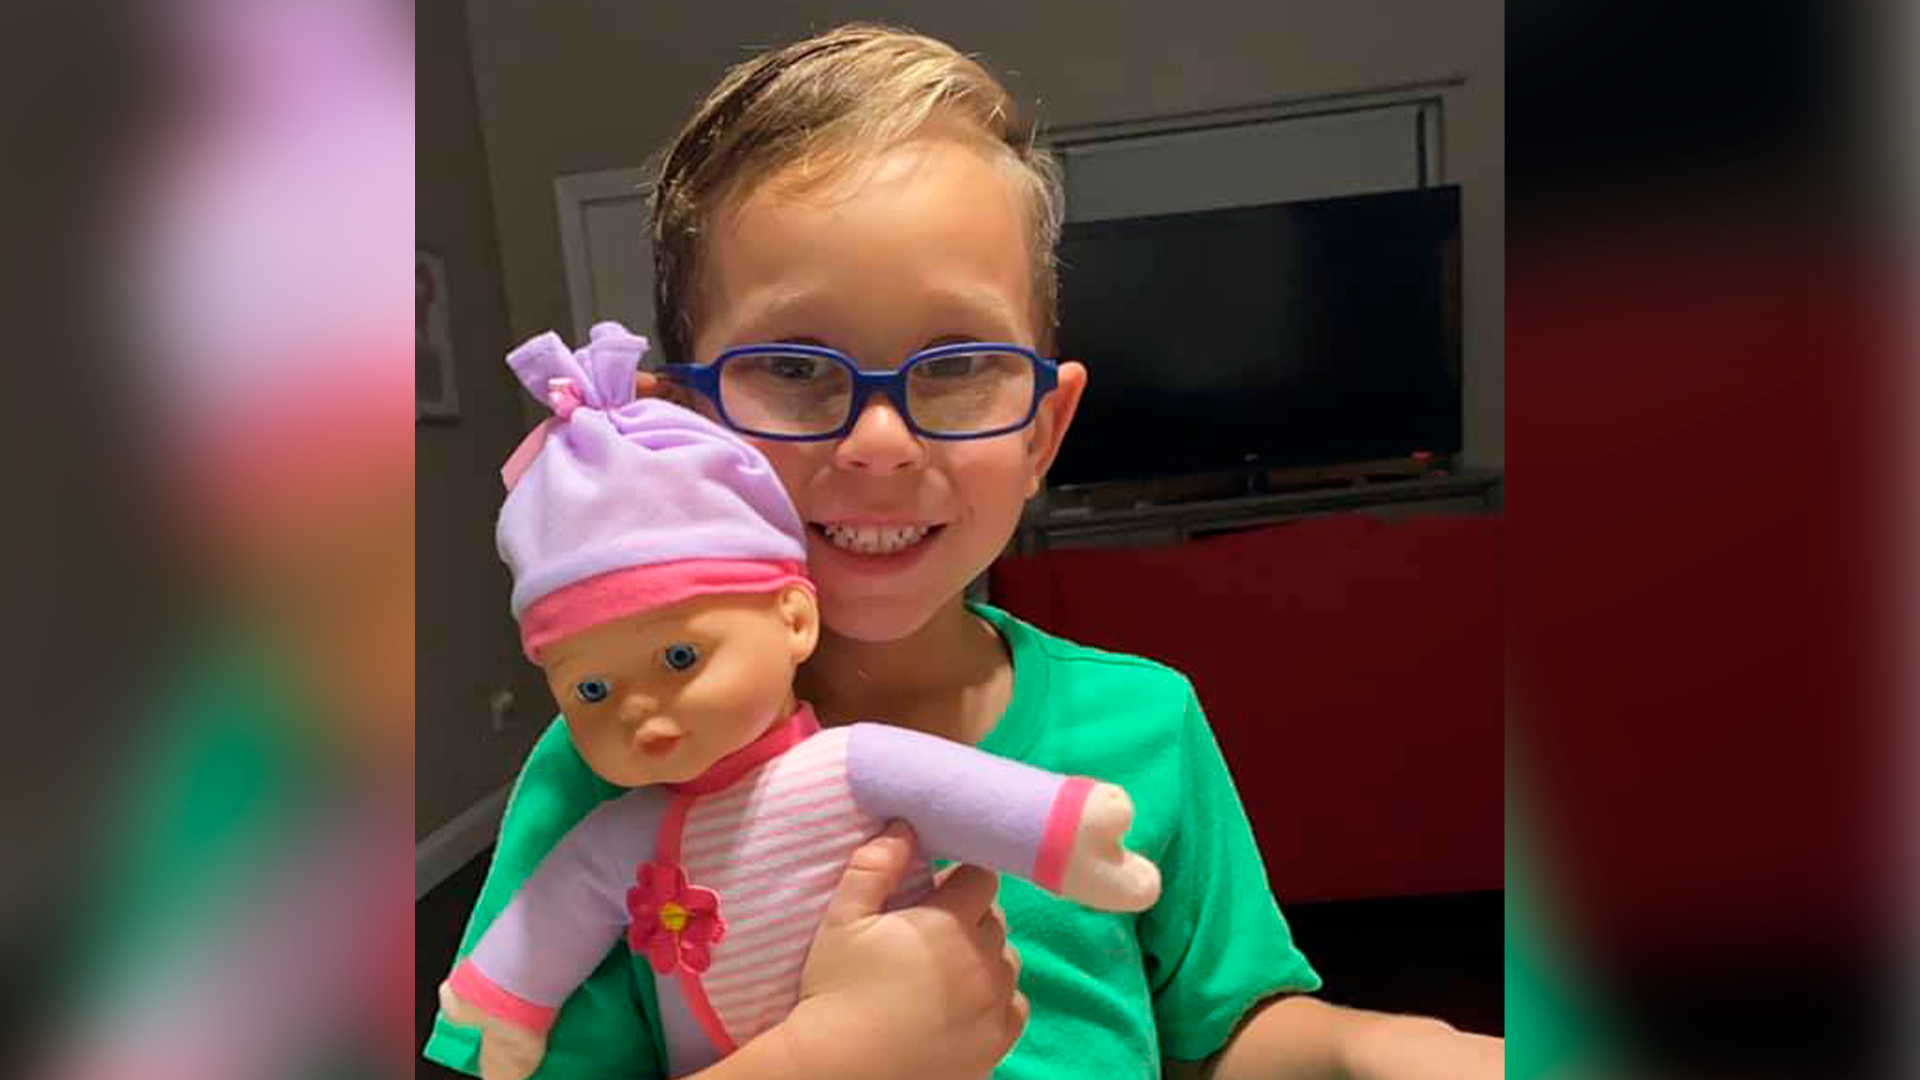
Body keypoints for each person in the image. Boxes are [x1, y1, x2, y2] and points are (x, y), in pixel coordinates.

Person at [425, 22, 1502, 1080]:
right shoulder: (622, 753)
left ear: (1042, 433)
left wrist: (1376, 1048)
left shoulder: (1146, 723)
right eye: (793, 368)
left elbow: (1225, 1035)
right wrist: (836, 1059)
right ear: (677, 430)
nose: (880, 442)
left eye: (957, 365)